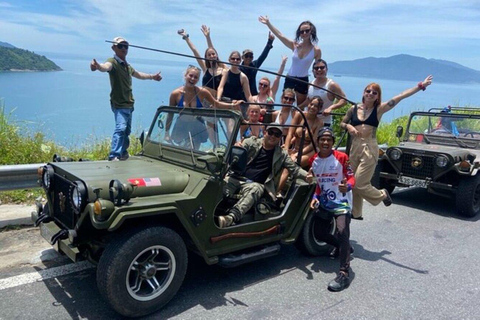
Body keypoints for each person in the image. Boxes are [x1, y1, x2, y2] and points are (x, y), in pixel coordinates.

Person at [340, 75, 433, 219]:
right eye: (368, 91)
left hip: (369, 147)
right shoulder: (353, 109)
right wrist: (349, 126)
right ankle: (356, 212)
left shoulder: (379, 109)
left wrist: (421, 86)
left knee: (359, 183)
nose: (370, 94)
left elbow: (401, 96)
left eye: (374, 92)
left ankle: (381, 194)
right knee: (353, 182)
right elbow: (342, 123)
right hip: (354, 147)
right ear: (364, 92)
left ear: (378, 96)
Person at [218, 124, 308, 228]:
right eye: (270, 132)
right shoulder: (252, 142)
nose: (273, 136)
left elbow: (295, 169)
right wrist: (237, 148)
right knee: (219, 186)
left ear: (280, 138)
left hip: (255, 185)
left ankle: (231, 218)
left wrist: (308, 176)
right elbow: (236, 152)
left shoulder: (281, 154)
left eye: (277, 134)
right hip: (236, 178)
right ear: (265, 133)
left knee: (256, 189)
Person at [90, 37, 162, 161]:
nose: (123, 48)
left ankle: (123, 152)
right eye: (120, 46)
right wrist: (97, 66)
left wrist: (152, 77)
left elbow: (138, 74)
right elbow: (105, 67)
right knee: (121, 128)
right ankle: (114, 155)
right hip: (119, 104)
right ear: (114, 48)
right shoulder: (112, 62)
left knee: (127, 131)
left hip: (129, 104)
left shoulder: (127, 66)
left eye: (126, 46)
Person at [308, 127, 356, 292]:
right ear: (318, 141)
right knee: (320, 233)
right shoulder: (313, 160)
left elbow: (351, 177)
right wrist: (315, 198)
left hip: (341, 203)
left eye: (329, 139)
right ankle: (345, 248)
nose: (325, 142)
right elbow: (319, 185)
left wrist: (347, 187)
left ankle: (344, 273)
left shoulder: (342, 158)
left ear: (333, 143)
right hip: (325, 202)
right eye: (323, 139)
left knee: (342, 232)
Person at [167, 65, 243, 147]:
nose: (192, 79)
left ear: (198, 80)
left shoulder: (202, 92)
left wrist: (232, 105)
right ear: (185, 76)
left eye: (195, 77)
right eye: (191, 76)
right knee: (180, 150)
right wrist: (166, 133)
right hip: (181, 125)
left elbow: (216, 104)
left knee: (195, 152)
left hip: (196, 125)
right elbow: (170, 114)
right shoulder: (175, 94)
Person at [258, 16, 321, 106]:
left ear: (311, 31)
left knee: (300, 108)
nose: (304, 33)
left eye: (307, 30)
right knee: (286, 105)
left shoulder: (316, 50)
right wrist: (268, 23)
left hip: (303, 80)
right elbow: (280, 36)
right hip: (290, 78)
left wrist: (316, 85)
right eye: (301, 31)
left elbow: (317, 70)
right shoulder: (294, 45)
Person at [177, 26, 227, 96]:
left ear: (217, 55)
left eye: (213, 54)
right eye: (209, 55)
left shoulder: (223, 69)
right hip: (204, 99)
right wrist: (186, 38)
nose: (212, 56)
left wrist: (208, 37)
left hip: (218, 99)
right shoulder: (205, 68)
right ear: (206, 57)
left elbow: (211, 49)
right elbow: (195, 51)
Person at [299, 59, 347, 127]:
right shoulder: (310, 84)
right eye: (316, 68)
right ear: (313, 71)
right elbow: (309, 100)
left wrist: (330, 108)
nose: (319, 70)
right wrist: (298, 107)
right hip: (309, 121)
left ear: (326, 69)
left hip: (324, 122)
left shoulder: (331, 85)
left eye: (322, 67)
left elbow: (344, 100)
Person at [284, 96, 324, 168]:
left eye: (315, 106)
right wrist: (286, 149)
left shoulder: (319, 123)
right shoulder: (299, 115)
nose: (312, 107)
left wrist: (297, 154)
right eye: (311, 104)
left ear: (319, 109)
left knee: (292, 164)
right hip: (295, 149)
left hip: (309, 152)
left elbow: (313, 144)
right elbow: (289, 134)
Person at [217, 51, 253, 117]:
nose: (235, 61)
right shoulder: (226, 73)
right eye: (233, 59)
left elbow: (248, 95)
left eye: (237, 59)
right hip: (225, 101)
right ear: (229, 60)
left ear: (240, 61)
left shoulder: (243, 77)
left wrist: (253, 105)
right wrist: (218, 99)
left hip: (237, 103)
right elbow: (220, 87)